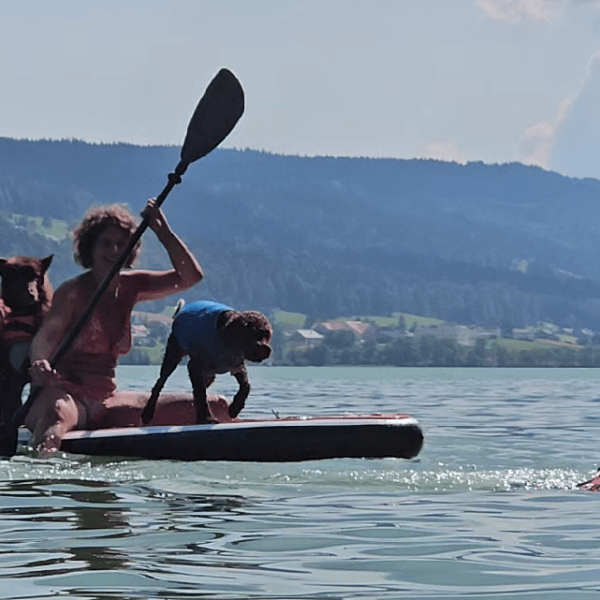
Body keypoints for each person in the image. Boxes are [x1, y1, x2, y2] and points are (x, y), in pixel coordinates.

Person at [25, 199, 207, 454]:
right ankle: (42, 472)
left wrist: (162, 230)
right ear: (90, 247)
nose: (114, 250)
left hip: (107, 399)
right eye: (105, 243)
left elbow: (190, 277)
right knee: (56, 417)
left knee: (212, 405)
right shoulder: (72, 292)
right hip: (63, 395)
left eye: (121, 244)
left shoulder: (133, 286)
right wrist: (40, 363)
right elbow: (45, 338)